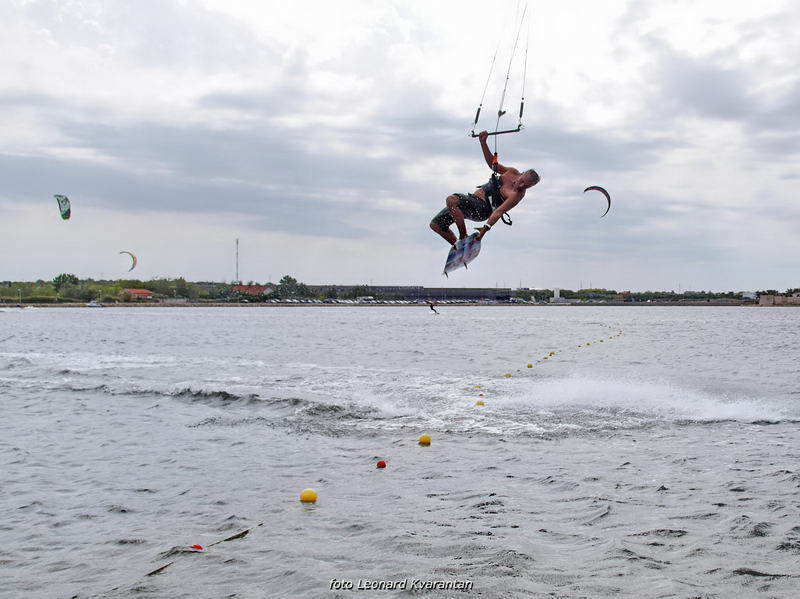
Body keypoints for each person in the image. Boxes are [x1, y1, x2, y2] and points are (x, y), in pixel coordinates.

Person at [430, 130, 539, 247]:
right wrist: (483, 142)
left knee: (452, 200)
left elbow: (498, 212)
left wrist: (483, 231)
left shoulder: (516, 195)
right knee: (436, 225)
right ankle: (459, 247)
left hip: (482, 209)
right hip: (471, 201)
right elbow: (491, 164)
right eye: (522, 181)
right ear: (521, 174)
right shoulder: (511, 171)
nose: (521, 186)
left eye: (526, 186)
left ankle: (463, 237)